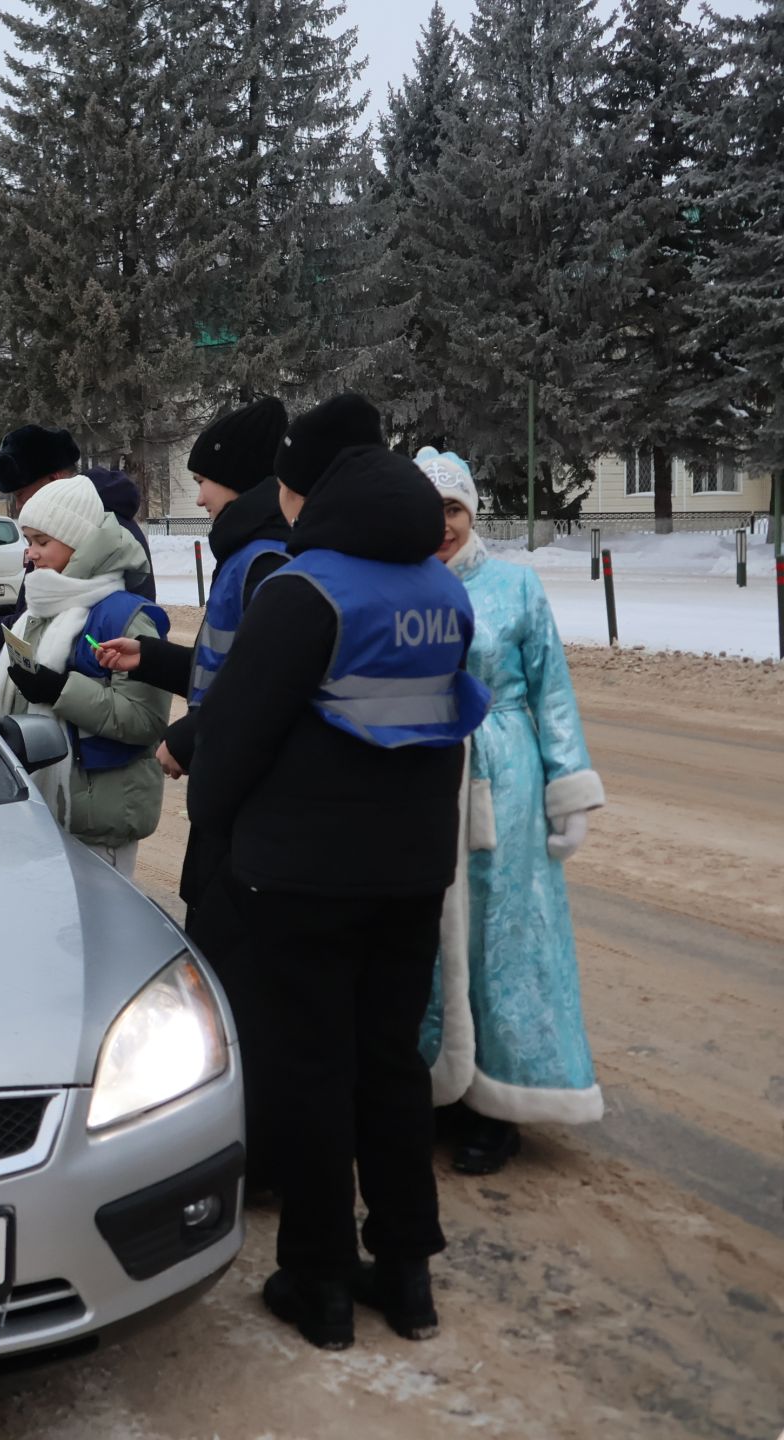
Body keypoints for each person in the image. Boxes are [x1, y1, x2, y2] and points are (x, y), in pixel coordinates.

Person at [186, 393, 489, 1350]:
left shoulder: (305, 590)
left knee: (312, 1072)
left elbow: (231, 742)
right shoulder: (442, 592)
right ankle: (406, 1274)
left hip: (303, 881)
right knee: (390, 1065)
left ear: (303, 492)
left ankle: (316, 1282)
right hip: (409, 875)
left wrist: (214, 823)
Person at [90, 392, 290, 1187]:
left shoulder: (266, 560)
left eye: (205, 480)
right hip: (229, 791)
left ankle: (258, 1151)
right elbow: (223, 669)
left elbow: (263, 683)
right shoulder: (246, 554)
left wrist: (188, 736)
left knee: (241, 974)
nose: (197, 493)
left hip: (243, 798)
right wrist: (161, 663)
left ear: (238, 484)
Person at [413, 447, 605, 1175]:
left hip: (507, 782)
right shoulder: (401, 587)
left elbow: (551, 691)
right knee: (426, 934)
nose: (443, 527)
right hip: (426, 776)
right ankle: (435, 1083)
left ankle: (502, 1103)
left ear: (472, 513)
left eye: (454, 511)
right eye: (430, 514)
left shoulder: (517, 588)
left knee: (507, 932)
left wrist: (569, 787)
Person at [0, 475, 172, 872]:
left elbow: (145, 721)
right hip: (36, 813)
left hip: (94, 822)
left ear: (80, 541)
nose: (29, 554)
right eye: (28, 541)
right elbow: (17, 703)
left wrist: (61, 689)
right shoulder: (40, 609)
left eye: (41, 541)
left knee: (101, 933)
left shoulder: (126, 616)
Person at [0, 426, 157, 654]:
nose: (18, 505)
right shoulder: (66, 526)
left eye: (21, 493)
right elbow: (40, 610)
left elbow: (45, 632)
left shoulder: (97, 530)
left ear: (54, 480)